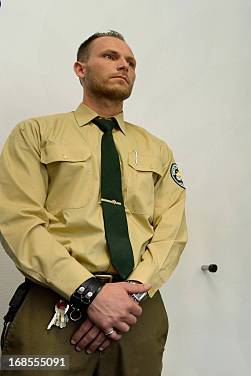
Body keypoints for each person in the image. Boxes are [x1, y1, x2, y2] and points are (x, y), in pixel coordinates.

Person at [0, 30, 188, 375]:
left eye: (131, 62)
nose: (124, 66)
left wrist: (126, 298)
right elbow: (18, 221)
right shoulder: (35, 134)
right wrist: (89, 294)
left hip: (137, 315)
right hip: (52, 309)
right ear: (80, 68)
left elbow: (171, 232)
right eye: (110, 56)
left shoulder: (157, 150)